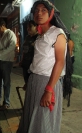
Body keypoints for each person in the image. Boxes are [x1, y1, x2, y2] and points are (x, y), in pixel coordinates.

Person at [17, 0, 73, 133]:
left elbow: (60, 62)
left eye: (43, 10)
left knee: (42, 122)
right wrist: (30, 81)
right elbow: (40, 60)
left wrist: (48, 90)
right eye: (36, 10)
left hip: (47, 83)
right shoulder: (41, 35)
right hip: (35, 81)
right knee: (30, 118)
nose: (39, 13)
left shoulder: (57, 34)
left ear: (51, 13)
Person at [0, 18, 17, 110]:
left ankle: (6, 103)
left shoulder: (10, 34)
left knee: (6, 83)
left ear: (3, 25)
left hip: (6, 61)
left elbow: (12, 47)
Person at [20, 20, 38, 85]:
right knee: (27, 83)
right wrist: (22, 60)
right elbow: (24, 51)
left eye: (30, 26)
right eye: (27, 27)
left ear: (36, 27)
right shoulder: (27, 37)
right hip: (25, 64)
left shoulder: (39, 37)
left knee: (32, 84)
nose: (28, 29)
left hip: (33, 66)